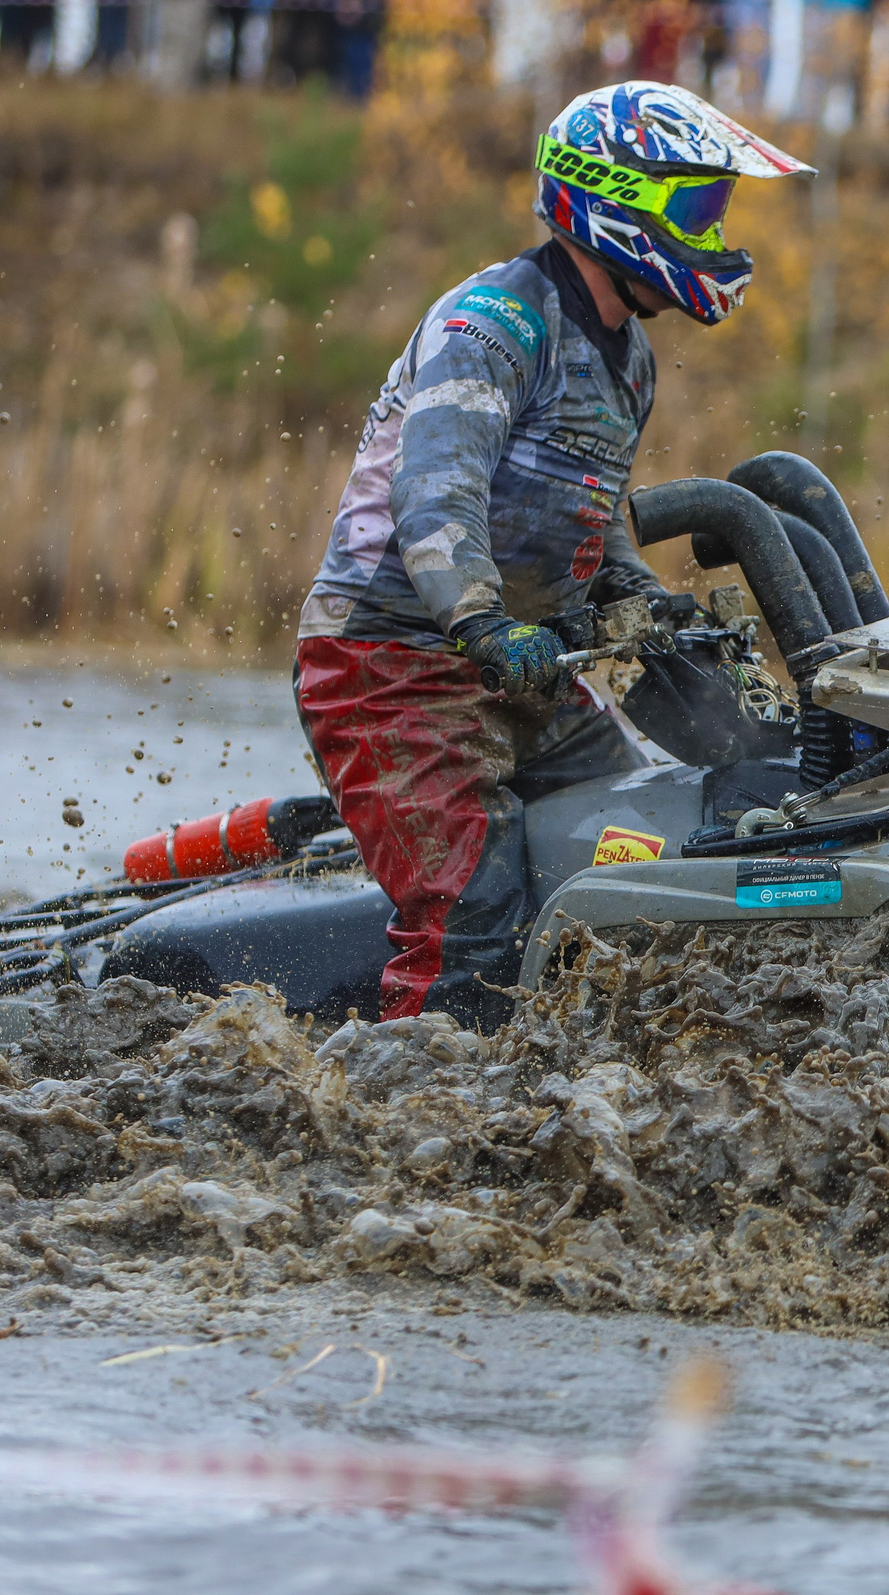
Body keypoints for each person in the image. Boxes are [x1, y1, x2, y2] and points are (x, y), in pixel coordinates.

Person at [294, 82, 815, 1023]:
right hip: (393, 663)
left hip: (520, 669)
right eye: (698, 208)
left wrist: (639, 598)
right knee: (473, 912)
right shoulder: (497, 322)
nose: (717, 231)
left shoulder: (628, 355)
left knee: (643, 834)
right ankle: (412, 1105)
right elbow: (437, 487)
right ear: (616, 204)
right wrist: (479, 616)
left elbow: (595, 508)